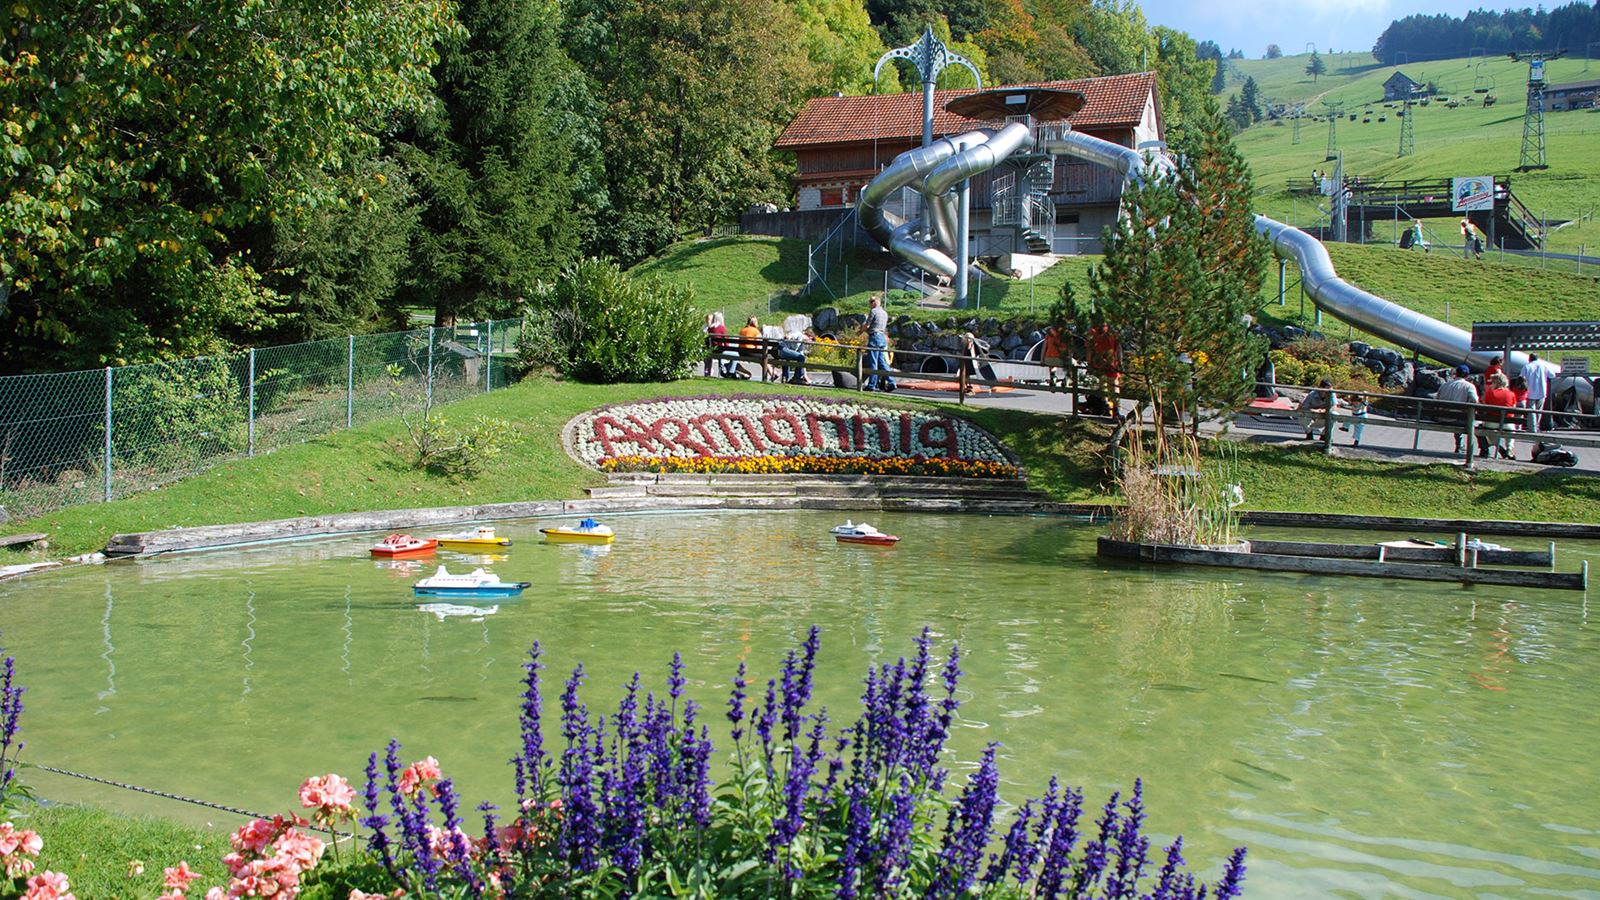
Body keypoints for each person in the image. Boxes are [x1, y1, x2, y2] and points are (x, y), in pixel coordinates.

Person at [1436, 364, 1480, 452]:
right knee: (1477, 423)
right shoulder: (1469, 386)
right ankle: (1484, 449)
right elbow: (1475, 400)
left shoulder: (1445, 385)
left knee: (1459, 415)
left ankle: (1460, 445)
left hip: (1442, 417)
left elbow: (1437, 399)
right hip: (1458, 419)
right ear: (1467, 375)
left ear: (1456, 373)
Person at [1480, 371, 1518, 459]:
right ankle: (1509, 448)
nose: (1490, 385)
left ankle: (1498, 446)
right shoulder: (1511, 394)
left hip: (1492, 422)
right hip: (1507, 423)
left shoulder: (1490, 393)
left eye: (1492, 382)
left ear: (1496, 383)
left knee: (1486, 430)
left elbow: (1484, 406)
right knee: (1511, 429)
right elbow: (1514, 408)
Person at [862, 294, 895, 392]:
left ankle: (871, 385)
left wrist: (861, 330)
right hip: (882, 337)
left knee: (873, 362)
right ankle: (892, 382)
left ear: (874, 302)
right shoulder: (885, 313)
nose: (869, 304)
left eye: (870, 302)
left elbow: (867, 325)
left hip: (874, 337)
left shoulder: (873, 311)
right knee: (882, 362)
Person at [1522, 353, 1559, 432]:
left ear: (1529, 359)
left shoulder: (1526, 366)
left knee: (1531, 411)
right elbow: (1552, 375)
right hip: (1542, 391)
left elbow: (1521, 377)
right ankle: (1537, 426)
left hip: (1530, 392)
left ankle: (1532, 428)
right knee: (1539, 410)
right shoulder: (1543, 366)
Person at [776, 315, 810, 385]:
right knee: (798, 358)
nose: (810, 341)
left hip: (783, 351)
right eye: (810, 339)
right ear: (807, 336)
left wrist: (805, 374)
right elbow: (791, 336)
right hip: (781, 349)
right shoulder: (799, 334)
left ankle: (785, 378)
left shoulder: (802, 343)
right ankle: (796, 378)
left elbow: (802, 357)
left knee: (798, 358)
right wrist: (788, 337)